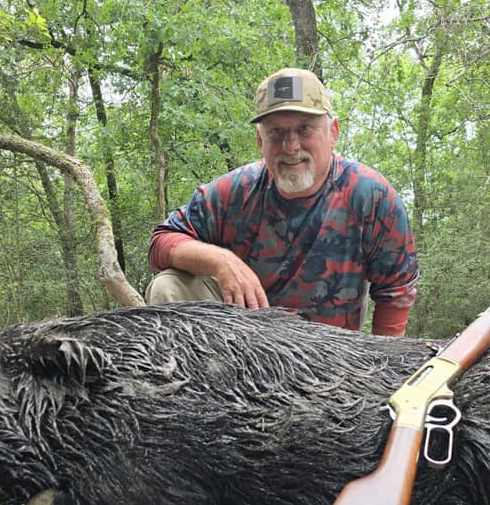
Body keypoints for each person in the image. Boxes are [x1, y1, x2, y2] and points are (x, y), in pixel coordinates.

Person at [146, 67, 418, 336]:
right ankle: (200, 378)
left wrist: (382, 367)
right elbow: (161, 241)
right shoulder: (235, 191)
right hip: (243, 339)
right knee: (167, 286)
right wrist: (221, 261)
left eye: (305, 129)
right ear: (260, 140)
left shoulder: (371, 196)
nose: (291, 147)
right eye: (276, 132)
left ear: (333, 132)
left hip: (330, 349)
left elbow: (396, 292)